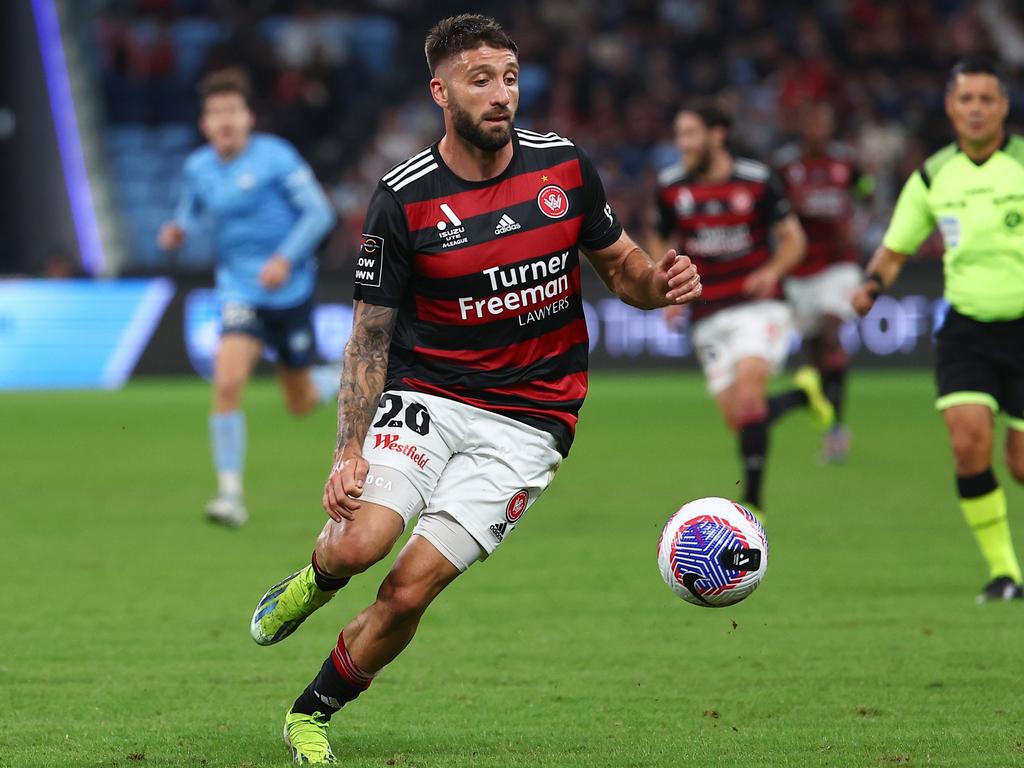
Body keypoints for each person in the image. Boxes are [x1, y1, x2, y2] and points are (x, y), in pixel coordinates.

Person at [246, 14, 702, 765]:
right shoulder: (403, 199)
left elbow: (623, 269)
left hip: (532, 421)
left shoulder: (564, 169)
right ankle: (318, 577)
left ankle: (310, 713)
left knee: (410, 589)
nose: (502, 95)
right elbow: (367, 338)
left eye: (511, 78)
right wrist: (346, 453)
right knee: (362, 543)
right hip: (429, 394)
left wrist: (660, 283)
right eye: (480, 79)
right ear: (440, 91)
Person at [852, 57, 1024, 603]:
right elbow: (896, 247)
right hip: (967, 330)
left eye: (986, 99)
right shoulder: (932, 175)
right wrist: (872, 285)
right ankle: (1005, 574)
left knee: (1020, 464)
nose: (975, 109)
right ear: (951, 107)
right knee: (968, 443)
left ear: (1003, 107)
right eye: (965, 99)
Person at [158, 68, 337, 527]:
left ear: (248, 117)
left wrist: (285, 257)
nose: (224, 121)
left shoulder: (277, 157)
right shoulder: (198, 167)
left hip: (291, 289)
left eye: (232, 111)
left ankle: (339, 375)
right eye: (215, 113)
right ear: (204, 123)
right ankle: (230, 496)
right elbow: (191, 207)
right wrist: (179, 228)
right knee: (227, 383)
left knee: (300, 403)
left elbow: (319, 213)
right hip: (239, 291)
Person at [651, 103, 834, 521]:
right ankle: (803, 395)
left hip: (758, 306)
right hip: (707, 312)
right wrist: (668, 286)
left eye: (691, 134)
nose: (683, 145)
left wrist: (771, 271)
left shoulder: (757, 181)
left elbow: (793, 241)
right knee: (742, 421)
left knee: (751, 400)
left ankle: (753, 503)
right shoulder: (670, 186)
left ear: (718, 134)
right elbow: (660, 236)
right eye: (679, 135)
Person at [774, 101, 874, 463]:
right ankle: (830, 424)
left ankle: (836, 431)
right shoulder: (786, 168)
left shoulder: (846, 164)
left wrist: (859, 227)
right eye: (812, 123)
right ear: (802, 128)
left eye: (824, 124)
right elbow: (770, 208)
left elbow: (869, 191)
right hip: (799, 268)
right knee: (814, 350)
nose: (818, 131)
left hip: (838, 264)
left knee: (832, 334)